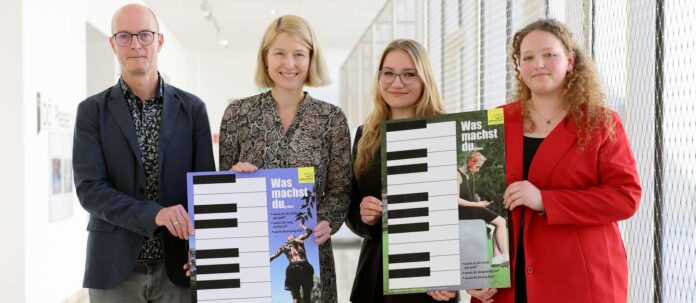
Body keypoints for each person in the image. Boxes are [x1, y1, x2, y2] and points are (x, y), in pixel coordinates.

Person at [469, 18, 642, 303]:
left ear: (570, 61)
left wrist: (545, 201)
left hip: (579, 280)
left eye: (549, 54)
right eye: (528, 57)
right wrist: (475, 277)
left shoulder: (601, 123)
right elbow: (475, 197)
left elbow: (625, 197)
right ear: (518, 65)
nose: (539, 64)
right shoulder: (495, 122)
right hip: (509, 283)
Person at [72, 4, 215, 302]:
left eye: (145, 35)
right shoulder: (91, 112)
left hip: (179, 267)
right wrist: (156, 214)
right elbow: (90, 190)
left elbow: (205, 190)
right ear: (113, 44)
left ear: (159, 41)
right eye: (124, 36)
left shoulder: (193, 109)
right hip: (112, 268)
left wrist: (207, 250)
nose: (135, 44)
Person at [218, 15, 351, 302]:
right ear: (265, 58)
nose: (289, 64)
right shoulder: (237, 114)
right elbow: (223, 187)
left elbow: (340, 191)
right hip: (253, 253)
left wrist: (327, 221)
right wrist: (232, 177)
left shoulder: (332, 118)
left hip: (312, 251)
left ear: (311, 59)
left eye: (299, 54)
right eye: (279, 53)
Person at [346, 39, 458, 303]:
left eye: (409, 74)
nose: (397, 83)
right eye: (388, 73)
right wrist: (365, 217)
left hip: (432, 280)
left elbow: (460, 213)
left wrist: (454, 273)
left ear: (425, 79)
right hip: (376, 279)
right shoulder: (365, 135)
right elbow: (350, 209)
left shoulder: (448, 131)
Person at [457, 152, 509, 266]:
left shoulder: (467, 176)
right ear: (470, 162)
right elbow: (455, 199)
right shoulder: (457, 175)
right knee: (501, 221)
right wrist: (477, 205)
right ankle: (505, 256)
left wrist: (480, 203)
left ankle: (496, 256)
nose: (478, 170)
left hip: (471, 210)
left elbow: (468, 198)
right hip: (466, 212)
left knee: (497, 224)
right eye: (477, 167)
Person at [270, 224, 315, 303]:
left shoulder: (292, 243)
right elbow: (309, 231)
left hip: (299, 268)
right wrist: (302, 226)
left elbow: (273, 257)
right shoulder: (296, 241)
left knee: (301, 299)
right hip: (299, 267)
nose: (290, 237)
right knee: (302, 299)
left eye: (291, 237)